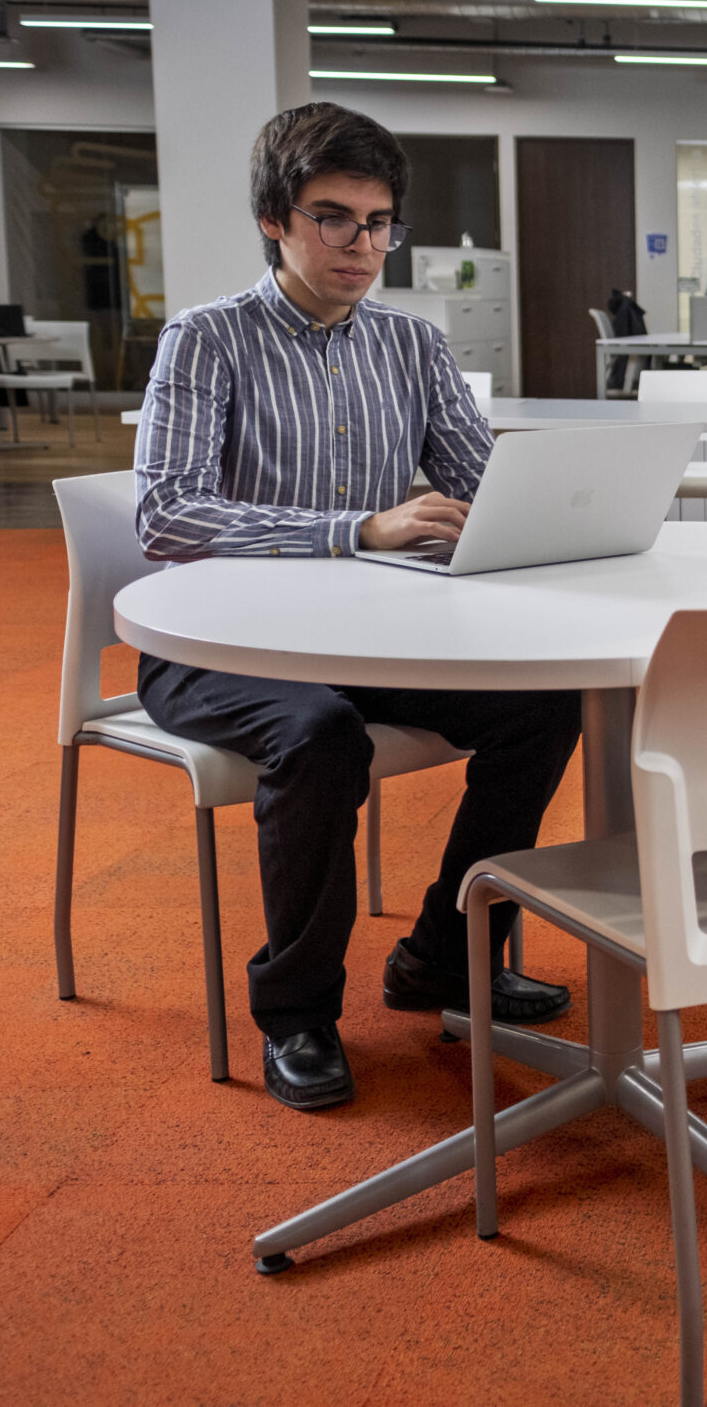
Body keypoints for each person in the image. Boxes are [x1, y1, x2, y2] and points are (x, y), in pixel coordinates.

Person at [134, 103, 581, 1112]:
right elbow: (167, 514)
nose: (362, 246)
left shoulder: (411, 345)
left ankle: (445, 959)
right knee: (321, 736)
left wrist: (530, 516)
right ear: (274, 219)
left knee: (548, 703)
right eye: (333, 218)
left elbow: (481, 487)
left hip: (367, 639)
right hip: (218, 649)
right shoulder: (206, 339)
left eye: (379, 223)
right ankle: (296, 1011)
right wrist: (358, 528)